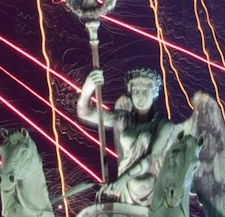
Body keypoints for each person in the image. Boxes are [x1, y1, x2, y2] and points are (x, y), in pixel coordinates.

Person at [76, 66, 180, 207]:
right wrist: (88, 88)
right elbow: (85, 113)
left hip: (151, 188)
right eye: (136, 91)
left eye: (145, 91)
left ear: (154, 93)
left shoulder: (164, 125)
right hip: (125, 188)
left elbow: (152, 157)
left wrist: (124, 178)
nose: (140, 96)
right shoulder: (123, 120)